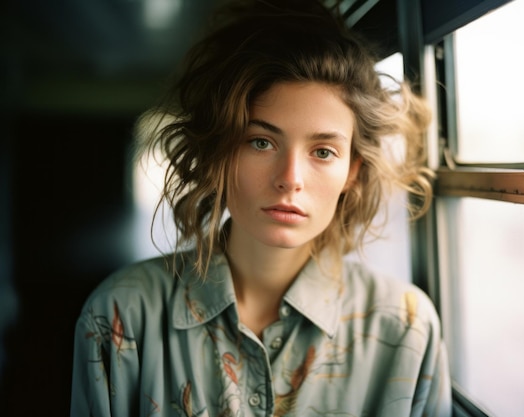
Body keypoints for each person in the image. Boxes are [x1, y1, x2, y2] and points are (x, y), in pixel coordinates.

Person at [70, 0, 452, 415]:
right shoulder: (121, 314)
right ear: (220, 153)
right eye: (261, 142)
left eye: (323, 151)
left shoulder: (406, 327)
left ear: (352, 171)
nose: (290, 178)